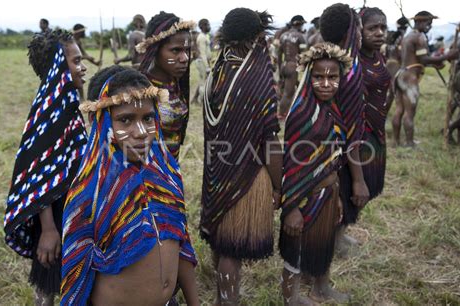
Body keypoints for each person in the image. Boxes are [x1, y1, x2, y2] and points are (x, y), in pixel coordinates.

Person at [61, 66, 199, 305]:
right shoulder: (89, 193)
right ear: (100, 122)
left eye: (148, 118)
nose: (142, 132)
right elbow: (76, 274)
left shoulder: (167, 176)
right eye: (125, 120)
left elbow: (180, 241)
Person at [200, 8, 282, 305]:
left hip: (217, 171)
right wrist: (278, 184)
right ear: (257, 37)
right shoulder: (256, 77)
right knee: (233, 249)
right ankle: (228, 301)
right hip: (245, 175)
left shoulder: (217, 70)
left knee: (222, 242)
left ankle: (224, 298)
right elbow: (269, 139)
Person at [4, 29, 88, 306]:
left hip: (72, 210)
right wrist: (49, 230)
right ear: (57, 68)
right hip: (54, 215)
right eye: (75, 61)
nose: (83, 66)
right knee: (48, 282)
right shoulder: (50, 111)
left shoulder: (66, 103)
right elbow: (39, 176)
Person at [279, 42, 352, 305]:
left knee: (324, 242)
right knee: (296, 250)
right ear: (308, 78)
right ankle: (291, 297)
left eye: (332, 77)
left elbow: (334, 158)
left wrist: (338, 196)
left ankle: (321, 288)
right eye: (318, 77)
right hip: (304, 198)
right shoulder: (301, 113)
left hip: (329, 193)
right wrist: (291, 208)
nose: (326, 83)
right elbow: (290, 165)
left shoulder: (333, 110)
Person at [320, 3, 370, 256]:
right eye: (359, 30)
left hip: (325, 149)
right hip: (338, 153)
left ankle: (337, 238)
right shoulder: (347, 71)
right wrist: (360, 180)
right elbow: (350, 134)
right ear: (349, 33)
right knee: (341, 194)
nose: (362, 36)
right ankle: (331, 245)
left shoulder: (326, 61)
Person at [349, 7, 391, 223]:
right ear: (359, 30)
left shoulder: (378, 56)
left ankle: (344, 231)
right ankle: (337, 235)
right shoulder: (351, 62)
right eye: (372, 28)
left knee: (370, 182)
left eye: (383, 27)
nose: (379, 33)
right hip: (358, 136)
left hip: (377, 131)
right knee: (354, 185)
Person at [392, 11, 458, 147]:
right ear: (420, 22)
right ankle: (409, 143)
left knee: (399, 109)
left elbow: (418, 60)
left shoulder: (407, 36)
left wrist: (436, 63)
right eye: (429, 23)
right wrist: (447, 56)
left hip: (400, 74)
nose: (430, 27)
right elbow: (424, 59)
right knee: (409, 112)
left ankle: (396, 141)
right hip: (410, 77)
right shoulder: (419, 37)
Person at [137, 12, 195, 160]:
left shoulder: (175, 84)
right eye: (176, 50)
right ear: (154, 49)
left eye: (187, 50)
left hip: (172, 171)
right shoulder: (140, 91)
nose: (184, 58)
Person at [278, 15, 307, 118]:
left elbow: (279, 55)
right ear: (299, 24)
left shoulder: (282, 36)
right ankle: (282, 114)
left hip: (284, 65)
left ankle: (286, 112)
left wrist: (279, 70)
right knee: (288, 93)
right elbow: (304, 55)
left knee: (287, 91)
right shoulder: (300, 37)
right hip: (293, 66)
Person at [383, 16, 409, 112]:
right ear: (406, 27)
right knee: (394, 96)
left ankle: (382, 114)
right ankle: (383, 115)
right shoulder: (403, 38)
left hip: (387, 65)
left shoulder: (390, 35)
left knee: (388, 94)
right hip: (396, 67)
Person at [191, 18, 212, 104]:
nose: (209, 27)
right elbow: (202, 53)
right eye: (207, 25)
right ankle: (201, 100)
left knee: (202, 81)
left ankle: (198, 99)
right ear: (202, 26)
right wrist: (207, 67)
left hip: (203, 61)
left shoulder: (204, 36)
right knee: (203, 82)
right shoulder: (202, 37)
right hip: (202, 62)